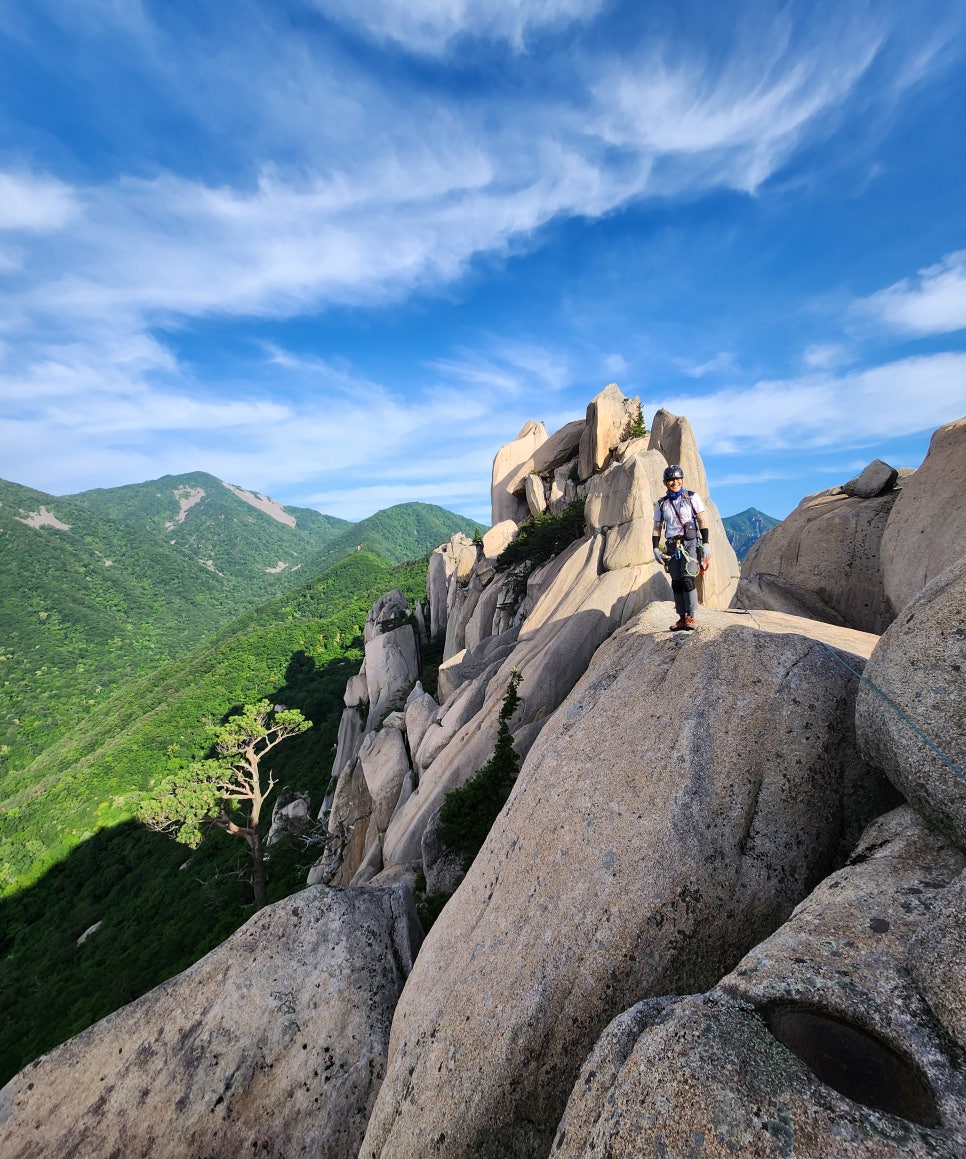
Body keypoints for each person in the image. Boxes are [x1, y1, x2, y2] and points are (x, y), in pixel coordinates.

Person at [652, 464, 711, 631]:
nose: (674, 482)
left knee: (687, 580)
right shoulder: (662, 504)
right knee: (676, 582)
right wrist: (655, 548)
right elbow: (657, 527)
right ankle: (681, 617)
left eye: (677, 478)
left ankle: (691, 616)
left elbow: (702, 520)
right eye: (670, 479)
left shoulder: (692, 497)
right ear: (665, 483)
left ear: (682, 480)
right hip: (672, 545)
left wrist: (706, 543)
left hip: (690, 543)